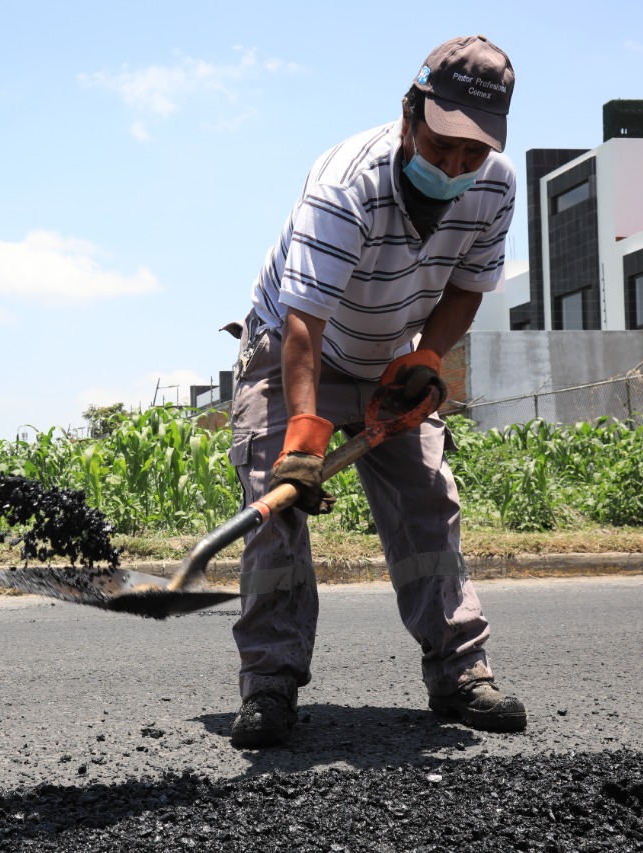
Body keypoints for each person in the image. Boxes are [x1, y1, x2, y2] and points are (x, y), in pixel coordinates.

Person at [226, 34, 527, 749]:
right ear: (410, 112)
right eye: (442, 144)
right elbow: (306, 320)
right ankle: (269, 681)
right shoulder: (346, 184)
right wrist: (303, 432)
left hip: (389, 351)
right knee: (278, 500)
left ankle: (460, 672)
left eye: (472, 153)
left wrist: (425, 356)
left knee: (428, 503)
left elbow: (467, 287)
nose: (455, 166)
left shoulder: (496, 185)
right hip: (296, 347)